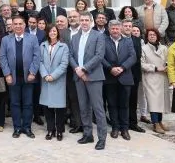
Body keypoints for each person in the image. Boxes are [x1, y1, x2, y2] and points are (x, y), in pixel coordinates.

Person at [70, 11, 108, 150]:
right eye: (82, 20)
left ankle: (102, 138)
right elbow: (70, 56)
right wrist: (77, 70)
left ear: (91, 22)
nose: (84, 22)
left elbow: (99, 56)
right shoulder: (74, 37)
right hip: (78, 77)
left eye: (87, 20)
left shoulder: (98, 36)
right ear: (79, 21)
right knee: (83, 107)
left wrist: (84, 69)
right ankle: (88, 134)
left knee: (98, 109)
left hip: (94, 76)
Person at [0, 15, 40, 139]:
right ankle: (17, 127)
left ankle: (27, 127)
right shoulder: (6, 39)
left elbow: (37, 56)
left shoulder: (32, 38)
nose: (17, 26)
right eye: (15, 24)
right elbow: (3, 57)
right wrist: (7, 74)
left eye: (20, 24)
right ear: (12, 26)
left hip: (28, 77)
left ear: (24, 25)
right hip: (13, 77)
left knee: (28, 103)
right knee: (15, 103)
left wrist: (33, 72)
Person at [102, 20, 137, 140]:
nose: (115, 31)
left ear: (121, 29)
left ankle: (125, 129)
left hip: (125, 77)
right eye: (113, 29)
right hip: (110, 77)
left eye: (117, 28)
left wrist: (122, 68)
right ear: (109, 29)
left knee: (124, 105)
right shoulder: (104, 40)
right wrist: (110, 68)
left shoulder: (128, 41)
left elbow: (133, 57)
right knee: (112, 104)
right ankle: (115, 128)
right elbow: (101, 57)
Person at [38, 23, 70, 141]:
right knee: (48, 107)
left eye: (54, 31)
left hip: (58, 80)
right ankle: (50, 130)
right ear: (47, 33)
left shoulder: (63, 46)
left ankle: (60, 130)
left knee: (60, 108)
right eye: (50, 31)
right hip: (46, 80)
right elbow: (40, 61)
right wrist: (45, 75)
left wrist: (54, 76)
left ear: (58, 33)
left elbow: (64, 64)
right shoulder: (42, 45)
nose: (52, 33)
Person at [140, 28, 170, 134]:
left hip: (162, 77)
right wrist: (156, 68)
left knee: (160, 101)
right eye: (150, 35)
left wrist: (166, 66)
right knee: (153, 102)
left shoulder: (164, 48)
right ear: (147, 37)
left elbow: (168, 60)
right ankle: (155, 123)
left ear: (157, 36)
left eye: (154, 34)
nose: (152, 36)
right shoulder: (144, 48)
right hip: (151, 77)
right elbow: (142, 64)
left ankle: (160, 121)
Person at [122, 20, 146, 134]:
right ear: (122, 27)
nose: (127, 28)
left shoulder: (137, 40)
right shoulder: (118, 39)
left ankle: (133, 123)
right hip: (121, 74)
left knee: (133, 100)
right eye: (125, 26)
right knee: (122, 100)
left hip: (134, 74)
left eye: (129, 26)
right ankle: (122, 123)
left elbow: (138, 57)